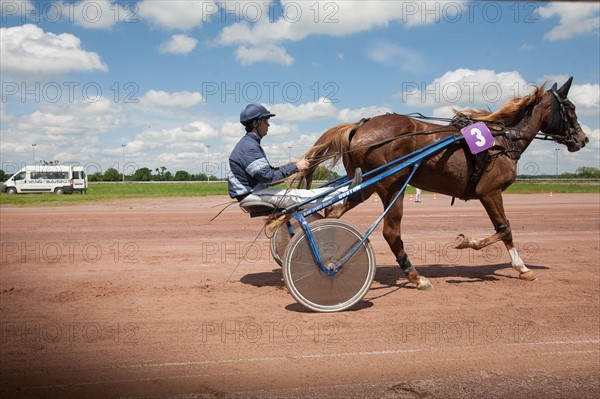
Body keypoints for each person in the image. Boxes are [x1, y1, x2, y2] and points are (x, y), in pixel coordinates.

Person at [227, 104, 359, 209]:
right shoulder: (248, 147)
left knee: (302, 196)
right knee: (301, 197)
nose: (268, 125)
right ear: (255, 123)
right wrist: (296, 167)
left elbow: (269, 174)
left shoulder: (250, 144)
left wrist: (295, 167)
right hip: (252, 194)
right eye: (265, 121)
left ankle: (344, 191)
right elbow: (268, 177)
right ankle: (349, 192)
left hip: (255, 191)